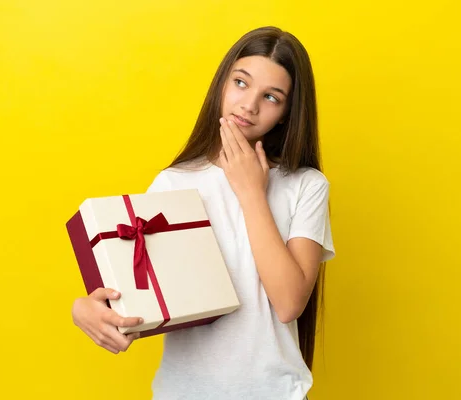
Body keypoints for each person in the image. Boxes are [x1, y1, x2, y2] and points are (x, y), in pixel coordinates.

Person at [71, 26, 336, 400]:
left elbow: (290, 303)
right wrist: (84, 308)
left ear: (287, 113)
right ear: (221, 85)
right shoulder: (173, 182)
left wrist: (250, 191)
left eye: (271, 97)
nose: (249, 105)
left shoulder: (306, 185)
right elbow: (132, 295)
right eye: (241, 83)